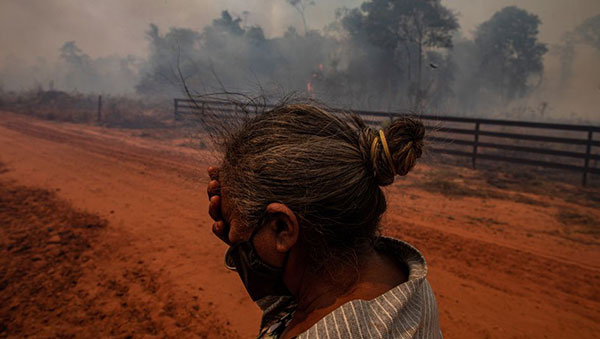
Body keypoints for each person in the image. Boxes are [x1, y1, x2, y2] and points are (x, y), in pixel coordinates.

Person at [206, 104, 441, 338]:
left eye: (239, 240)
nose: (239, 251)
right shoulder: (412, 285)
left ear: (281, 228)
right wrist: (253, 248)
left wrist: (255, 256)